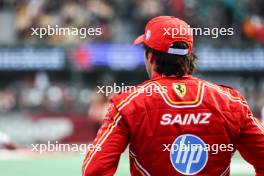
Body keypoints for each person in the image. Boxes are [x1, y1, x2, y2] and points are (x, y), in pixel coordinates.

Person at [82, 16, 264, 176]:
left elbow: (94, 170)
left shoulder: (128, 104)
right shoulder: (230, 102)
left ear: (150, 57)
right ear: (189, 56)